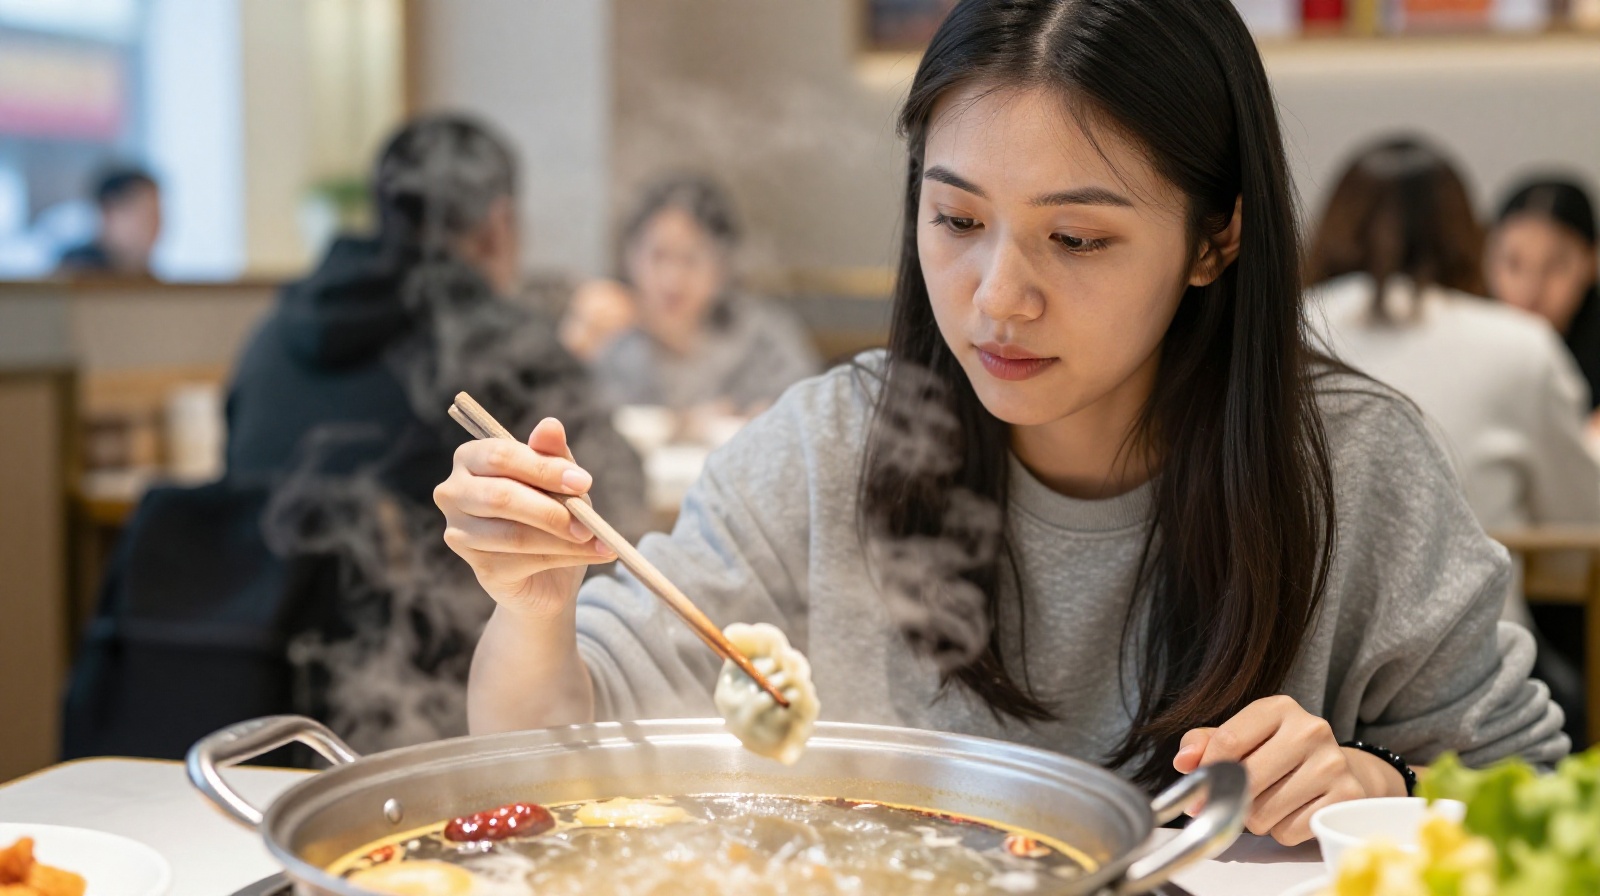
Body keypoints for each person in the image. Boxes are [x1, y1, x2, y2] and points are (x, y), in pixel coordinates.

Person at [436, 0, 1567, 847]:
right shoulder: (832, 450)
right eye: (957, 217)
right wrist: (537, 610)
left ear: (1216, 239)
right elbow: (555, 756)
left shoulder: (1352, 468)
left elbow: (1536, 797)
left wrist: (1387, 793)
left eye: (1075, 239)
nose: (996, 296)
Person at [226, 114, 645, 751]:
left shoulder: (275, 332)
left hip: (253, 689)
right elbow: (612, 503)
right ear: (499, 223)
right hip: (438, 713)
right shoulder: (502, 339)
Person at [1306, 138, 1600, 621]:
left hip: (1289, 665)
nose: (1531, 287)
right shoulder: (1521, 346)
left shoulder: (1269, 332)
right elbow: (1579, 540)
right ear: (1471, 236)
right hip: (1474, 659)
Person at [569, 175, 821, 414]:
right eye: (658, 256)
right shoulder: (609, 334)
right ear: (630, 258)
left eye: (691, 259)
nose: (672, 280)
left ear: (722, 266)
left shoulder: (763, 338)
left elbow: (806, 415)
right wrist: (574, 349)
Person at [1486, 178, 1600, 421]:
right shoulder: (1467, 347)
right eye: (1514, 264)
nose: (1531, 289)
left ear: (1592, 261)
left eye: (1555, 265)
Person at [57, 166, 162, 276]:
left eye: (157, 215)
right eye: (145, 215)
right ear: (109, 213)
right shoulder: (75, 272)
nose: (155, 225)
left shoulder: (149, 278)